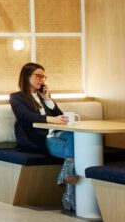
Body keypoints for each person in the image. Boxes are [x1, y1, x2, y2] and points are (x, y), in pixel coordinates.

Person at [9, 62, 77, 211]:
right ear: (26, 77)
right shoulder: (16, 97)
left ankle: (67, 180)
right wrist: (49, 119)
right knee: (77, 150)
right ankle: (70, 188)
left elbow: (60, 116)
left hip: (52, 135)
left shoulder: (43, 96)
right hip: (36, 139)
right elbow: (25, 116)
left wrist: (47, 99)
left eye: (43, 76)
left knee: (74, 137)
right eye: (38, 76)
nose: (41, 80)